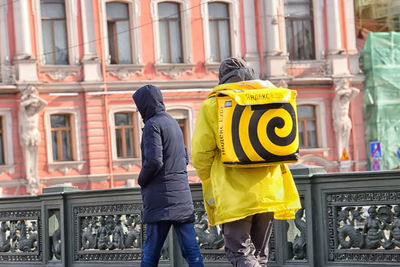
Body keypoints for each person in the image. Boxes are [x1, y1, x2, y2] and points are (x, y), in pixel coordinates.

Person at [191, 57, 301, 266]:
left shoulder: (215, 104)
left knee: (239, 251)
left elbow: (201, 153)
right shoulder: (270, 97)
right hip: (270, 190)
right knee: (259, 254)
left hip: (235, 193)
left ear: (223, 79)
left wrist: (210, 179)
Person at [132, 85, 204, 267]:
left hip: (160, 201)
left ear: (145, 105)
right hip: (181, 197)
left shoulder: (152, 125)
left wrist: (141, 180)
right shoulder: (173, 122)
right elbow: (185, 157)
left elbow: (154, 161)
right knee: (192, 251)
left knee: (151, 253)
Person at [19, 85, 47, 194]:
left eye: (34, 106)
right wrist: (30, 99)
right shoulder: (24, 113)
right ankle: (28, 176)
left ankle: (34, 175)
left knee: (34, 156)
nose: (33, 108)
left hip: (35, 134)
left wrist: (36, 97)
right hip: (26, 134)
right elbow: (21, 105)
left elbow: (44, 103)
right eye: (31, 106)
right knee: (27, 155)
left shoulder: (36, 113)